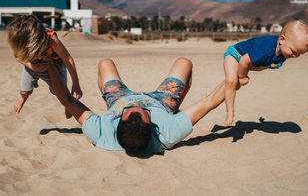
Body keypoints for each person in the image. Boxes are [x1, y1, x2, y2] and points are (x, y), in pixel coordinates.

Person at [47, 57, 226, 153]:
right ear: (153, 127)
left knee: (105, 63)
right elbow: (209, 102)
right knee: (184, 63)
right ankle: (174, 109)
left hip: (119, 99)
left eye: (130, 112)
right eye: (143, 112)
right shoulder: (169, 132)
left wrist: (49, 67)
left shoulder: (101, 132)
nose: (137, 105)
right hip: (162, 100)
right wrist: (236, 75)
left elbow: (67, 100)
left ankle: (113, 107)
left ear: (117, 124)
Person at [222, 20, 308, 125]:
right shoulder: (265, 49)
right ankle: (230, 112)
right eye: (294, 51)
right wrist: (242, 77)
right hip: (235, 54)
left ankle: (212, 94)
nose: (295, 56)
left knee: (234, 85)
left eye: (299, 54)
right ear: (282, 39)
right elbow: (243, 61)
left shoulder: (284, 50)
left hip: (248, 61)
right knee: (231, 81)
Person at [7, 14, 83, 117]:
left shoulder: (51, 39)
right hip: (32, 65)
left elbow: (67, 59)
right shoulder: (19, 44)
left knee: (62, 94)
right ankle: (23, 99)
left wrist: (76, 83)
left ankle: (67, 105)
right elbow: (18, 57)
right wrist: (33, 67)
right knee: (24, 91)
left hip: (56, 66)